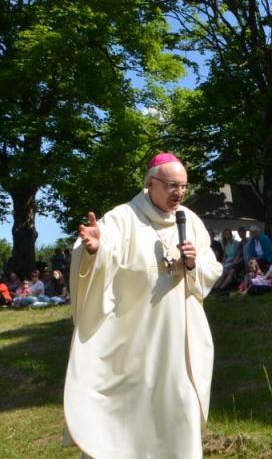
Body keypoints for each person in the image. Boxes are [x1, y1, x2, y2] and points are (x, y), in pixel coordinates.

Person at [66, 152, 222, 458]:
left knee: (180, 403)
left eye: (183, 186)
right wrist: (94, 251)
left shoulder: (189, 220)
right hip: (134, 338)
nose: (178, 192)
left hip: (179, 341)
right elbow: (102, 246)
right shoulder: (123, 217)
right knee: (131, 411)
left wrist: (192, 264)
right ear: (151, 184)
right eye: (171, 185)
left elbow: (211, 266)